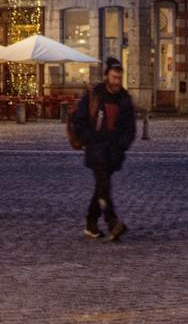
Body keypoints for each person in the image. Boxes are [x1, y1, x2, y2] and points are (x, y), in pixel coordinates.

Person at [70, 57, 136, 241]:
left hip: (113, 151)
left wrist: (122, 145)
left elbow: (130, 128)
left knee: (101, 186)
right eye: (114, 77)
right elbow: (79, 120)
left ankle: (91, 223)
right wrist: (88, 140)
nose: (117, 82)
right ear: (107, 76)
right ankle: (112, 222)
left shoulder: (124, 99)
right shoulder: (94, 95)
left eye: (119, 78)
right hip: (95, 148)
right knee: (103, 185)